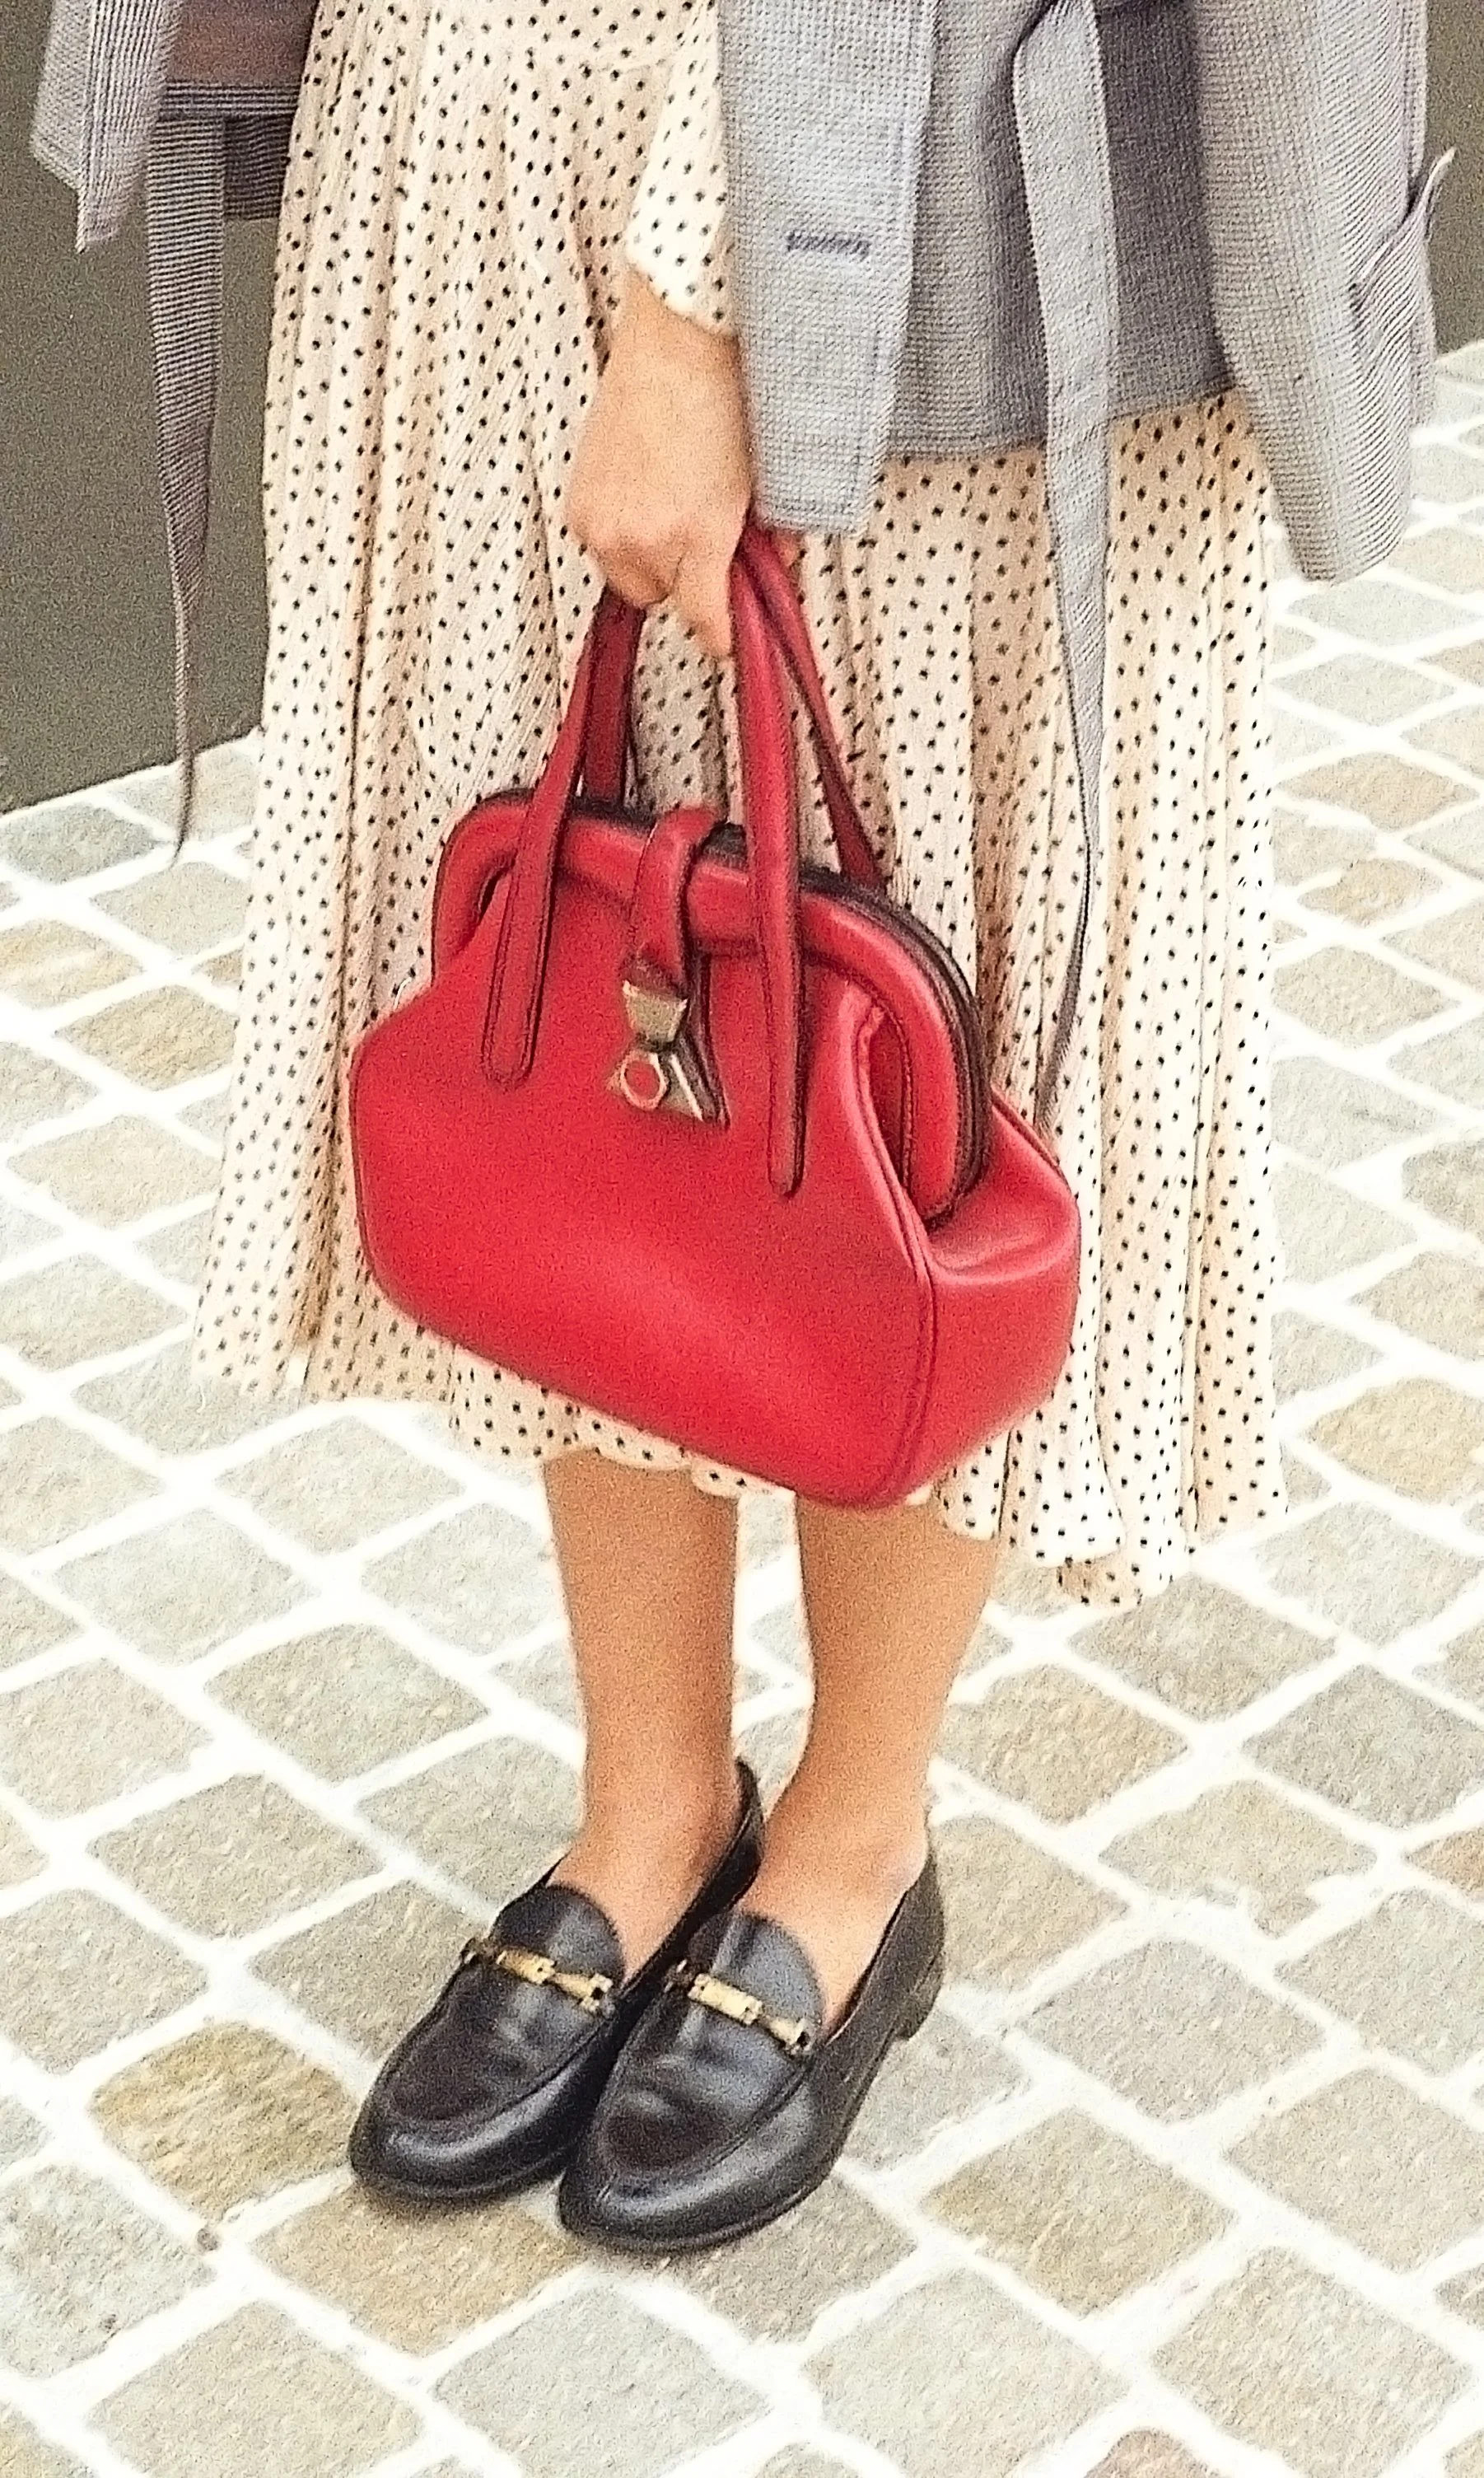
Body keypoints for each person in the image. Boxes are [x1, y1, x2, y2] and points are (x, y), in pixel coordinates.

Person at [34, 0, 1442, 2250]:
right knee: (583, 1016)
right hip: (475, 147)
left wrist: (705, 295)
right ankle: (647, 1813)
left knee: (899, 1042)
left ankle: (857, 1848)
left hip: (882, 203)